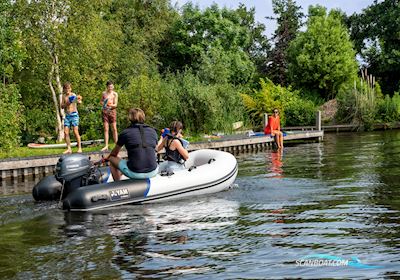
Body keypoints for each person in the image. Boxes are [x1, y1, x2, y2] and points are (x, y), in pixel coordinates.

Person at [106, 108, 158, 181]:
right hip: (153, 171)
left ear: (130, 118)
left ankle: (117, 184)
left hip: (136, 173)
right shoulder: (153, 131)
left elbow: (114, 153)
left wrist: (106, 158)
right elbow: (155, 150)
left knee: (111, 158)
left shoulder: (125, 132)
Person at [61, 82, 82, 154]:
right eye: (66, 89)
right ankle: (69, 149)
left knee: (75, 132)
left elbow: (79, 101)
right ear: (64, 89)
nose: (67, 90)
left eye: (68, 88)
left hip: (74, 115)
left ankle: (79, 148)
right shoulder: (63, 96)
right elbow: (61, 106)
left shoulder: (73, 95)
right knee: (66, 132)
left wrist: (79, 100)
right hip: (67, 115)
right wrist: (67, 103)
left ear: (71, 88)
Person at [101, 80, 118, 152]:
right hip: (105, 112)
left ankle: (117, 144)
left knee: (114, 128)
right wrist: (103, 104)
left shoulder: (115, 94)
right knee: (106, 128)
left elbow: (116, 104)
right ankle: (106, 145)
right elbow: (101, 101)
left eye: (111, 86)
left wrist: (109, 105)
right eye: (109, 87)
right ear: (107, 87)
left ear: (113, 86)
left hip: (112, 111)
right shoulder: (104, 93)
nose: (110, 88)